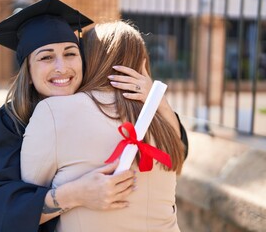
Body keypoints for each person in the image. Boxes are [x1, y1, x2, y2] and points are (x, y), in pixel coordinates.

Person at [0, 0, 168, 232]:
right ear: (28, 72)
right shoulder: (8, 122)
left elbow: (177, 149)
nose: (62, 67)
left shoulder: (101, 108)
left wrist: (156, 101)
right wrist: (76, 194)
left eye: (71, 53)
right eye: (46, 57)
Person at [20, 20, 187, 231]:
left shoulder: (54, 112)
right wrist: (159, 102)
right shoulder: (164, 123)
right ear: (143, 64)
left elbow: (25, 205)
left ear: (88, 60)